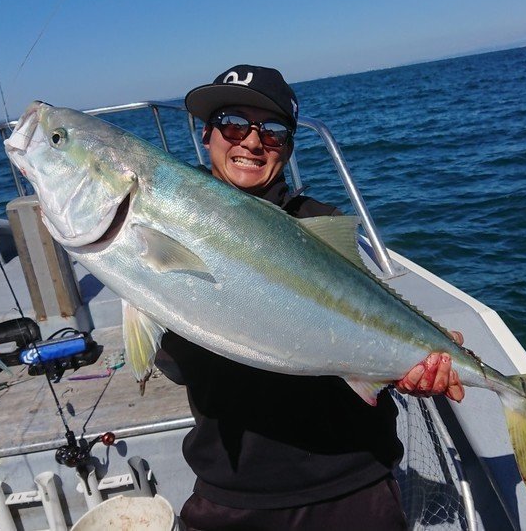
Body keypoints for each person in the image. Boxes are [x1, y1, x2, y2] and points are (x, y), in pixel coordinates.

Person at [154, 64, 464, 530]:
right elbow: (177, 366)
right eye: (233, 124)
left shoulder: (323, 228)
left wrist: (408, 367)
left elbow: (363, 332)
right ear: (206, 135)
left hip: (352, 481)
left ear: (290, 146)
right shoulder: (168, 217)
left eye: (272, 131)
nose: (252, 142)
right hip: (233, 488)